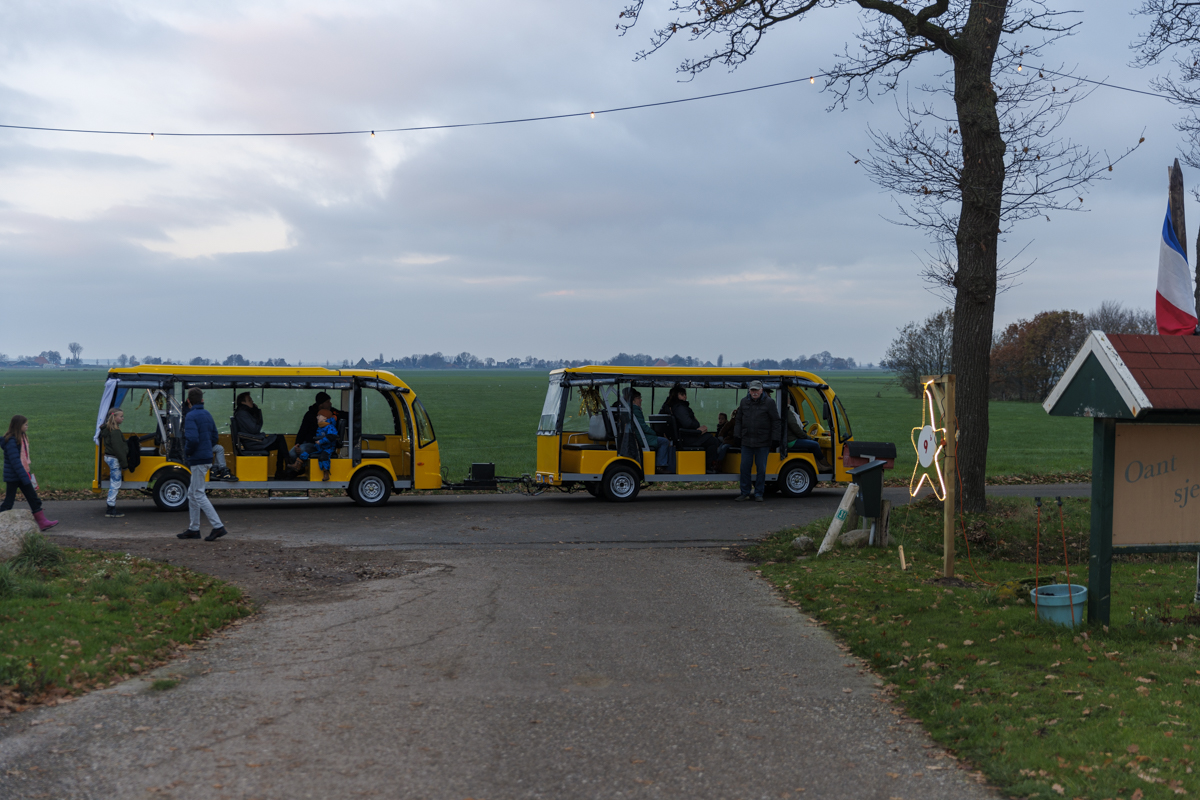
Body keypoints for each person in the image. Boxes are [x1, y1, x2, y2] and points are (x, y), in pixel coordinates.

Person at [178, 388, 228, 542]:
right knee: (192, 493)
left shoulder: (190, 416)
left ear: (188, 401)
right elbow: (214, 436)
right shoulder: (207, 414)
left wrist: (187, 453)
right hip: (206, 457)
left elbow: (192, 439)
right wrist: (206, 448)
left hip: (197, 459)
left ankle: (218, 526)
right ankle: (194, 529)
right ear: (202, 400)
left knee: (198, 493)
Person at [1, 415, 57, 531]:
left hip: (22, 474)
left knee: (33, 498)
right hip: (14, 476)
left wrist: (26, 475)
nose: (27, 426)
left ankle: (42, 522)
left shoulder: (22, 438)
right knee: (8, 502)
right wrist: (25, 478)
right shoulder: (11, 441)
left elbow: (23, 460)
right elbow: (16, 462)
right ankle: (42, 522)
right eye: (25, 424)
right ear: (18, 426)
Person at [734, 380, 781, 502]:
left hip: (763, 442)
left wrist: (775, 438)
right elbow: (738, 420)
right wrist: (737, 436)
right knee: (744, 468)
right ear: (749, 391)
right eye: (752, 390)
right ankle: (745, 492)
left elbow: (776, 421)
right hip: (746, 441)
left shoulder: (769, 402)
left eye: (757, 390)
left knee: (761, 469)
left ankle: (759, 493)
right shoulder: (744, 402)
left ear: (761, 390)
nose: (754, 392)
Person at [663, 385, 721, 472]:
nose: (685, 396)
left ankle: (709, 464)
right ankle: (708, 466)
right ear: (677, 395)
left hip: (684, 436)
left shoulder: (671, 407)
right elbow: (687, 423)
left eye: (685, 394)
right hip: (687, 437)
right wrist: (698, 429)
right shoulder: (679, 407)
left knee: (710, 439)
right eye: (682, 394)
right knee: (713, 441)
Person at [181, 396, 238, 483]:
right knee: (219, 449)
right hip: (199, 448)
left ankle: (215, 470)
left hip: (196, 446)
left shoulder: (187, 414)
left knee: (219, 448)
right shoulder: (202, 414)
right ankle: (220, 470)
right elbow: (211, 435)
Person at [234, 392, 291, 478]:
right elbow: (255, 429)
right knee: (279, 439)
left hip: (254, 441)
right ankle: (286, 466)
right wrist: (258, 412)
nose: (252, 401)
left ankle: (282, 469)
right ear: (243, 402)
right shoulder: (242, 414)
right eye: (249, 400)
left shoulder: (244, 412)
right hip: (253, 442)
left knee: (279, 440)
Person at [625, 388, 672, 472]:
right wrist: (655, 433)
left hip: (635, 435)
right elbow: (643, 427)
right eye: (638, 398)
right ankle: (660, 465)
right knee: (664, 441)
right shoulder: (635, 410)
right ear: (633, 400)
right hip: (639, 437)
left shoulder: (629, 408)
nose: (641, 400)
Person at [290, 407, 338, 480]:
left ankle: (326, 473)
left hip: (328, 448)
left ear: (325, 417)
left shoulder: (330, 427)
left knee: (323, 457)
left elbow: (331, 436)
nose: (317, 417)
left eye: (319, 416)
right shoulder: (321, 427)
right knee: (305, 453)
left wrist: (320, 441)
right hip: (320, 447)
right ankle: (297, 466)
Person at [785, 399, 833, 472]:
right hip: (791, 441)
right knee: (815, 445)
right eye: (788, 398)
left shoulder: (786, 411)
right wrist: (806, 436)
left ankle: (819, 465)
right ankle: (825, 464)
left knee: (811, 444)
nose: (789, 400)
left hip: (789, 439)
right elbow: (796, 429)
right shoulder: (788, 413)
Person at [100, 408, 129, 518]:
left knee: (114, 483)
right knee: (115, 484)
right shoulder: (115, 432)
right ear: (115, 417)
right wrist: (124, 464)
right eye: (121, 416)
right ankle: (111, 508)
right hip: (114, 459)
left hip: (108, 457)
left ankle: (110, 507)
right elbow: (118, 449)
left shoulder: (107, 429)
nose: (123, 418)